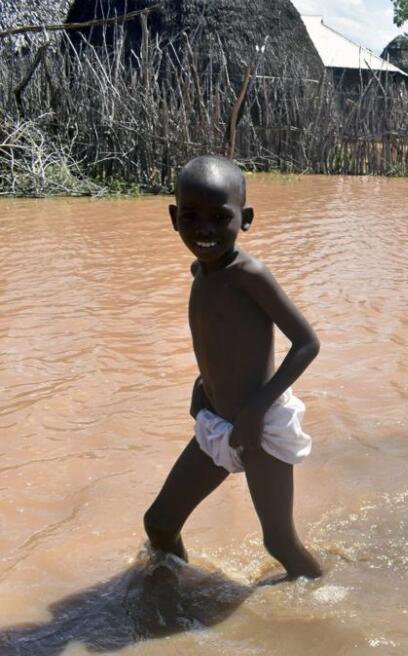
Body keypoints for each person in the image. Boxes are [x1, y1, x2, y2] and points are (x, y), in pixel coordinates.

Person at [143, 155, 323, 579]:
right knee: (160, 524)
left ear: (246, 219)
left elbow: (307, 343)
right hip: (218, 422)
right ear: (174, 217)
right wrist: (203, 383)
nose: (204, 229)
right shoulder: (199, 271)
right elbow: (219, 340)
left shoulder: (249, 275)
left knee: (279, 542)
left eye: (220, 217)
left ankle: (326, 601)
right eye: (191, 216)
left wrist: (257, 409)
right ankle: (176, 597)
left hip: (260, 425)